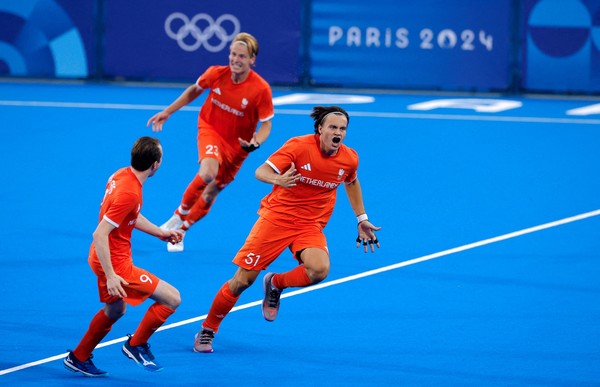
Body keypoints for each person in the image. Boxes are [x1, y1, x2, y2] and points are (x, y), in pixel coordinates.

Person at [192, 106, 381, 353]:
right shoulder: (299, 146)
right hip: (276, 219)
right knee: (242, 281)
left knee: (319, 270)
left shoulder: (349, 158)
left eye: (342, 128)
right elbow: (261, 171)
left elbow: (351, 181)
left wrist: (361, 218)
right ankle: (208, 329)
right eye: (333, 127)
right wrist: (277, 179)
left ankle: (276, 283)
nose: (338, 132)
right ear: (320, 128)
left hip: (310, 224)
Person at [63, 136, 184, 377]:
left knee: (115, 310)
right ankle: (136, 345)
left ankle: (79, 357)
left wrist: (160, 233)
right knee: (172, 299)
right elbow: (100, 234)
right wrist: (111, 276)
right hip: (115, 264)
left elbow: (128, 215)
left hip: (101, 257)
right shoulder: (131, 193)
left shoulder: (121, 176)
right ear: (155, 164)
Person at [147, 32, 274, 253]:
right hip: (211, 128)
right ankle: (179, 215)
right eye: (233, 54)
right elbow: (193, 91)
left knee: (211, 192)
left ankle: (181, 230)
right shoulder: (216, 73)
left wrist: (256, 143)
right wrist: (168, 111)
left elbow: (266, 125)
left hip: (238, 147)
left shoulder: (261, 89)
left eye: (242, 56)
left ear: (252, 60)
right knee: (207, 173)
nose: (235, 59)